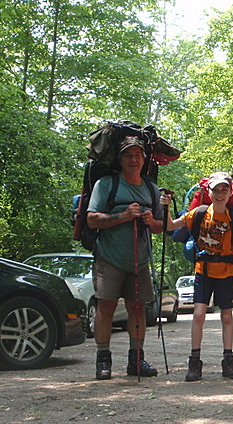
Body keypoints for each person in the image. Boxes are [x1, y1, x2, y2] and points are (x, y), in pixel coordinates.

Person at [86, 136, 165, 380]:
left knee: (138, 309)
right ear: (120, 160)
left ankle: (136, 360)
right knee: (106, 308)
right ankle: (103, 360)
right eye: (128, 155)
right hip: (109, 258)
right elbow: (91, 219)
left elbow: (162, 226)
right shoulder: (106, 184)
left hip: (140, 260)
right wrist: (123, 216)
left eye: (138, 155)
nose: (133, 159)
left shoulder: (151, 188)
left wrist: (152, 222)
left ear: (144, 159)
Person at [162, 172, 233, 381]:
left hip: (227, 273)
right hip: (203, 271)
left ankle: (228, 362)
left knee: (227, 316)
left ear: (230, 192)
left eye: (224, 190)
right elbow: (170, 226)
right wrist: (165, 207)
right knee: (199, 314)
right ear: (208, 192)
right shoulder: (199, 213)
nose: (220, 194)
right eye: (216, 190)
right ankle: (194, 362)